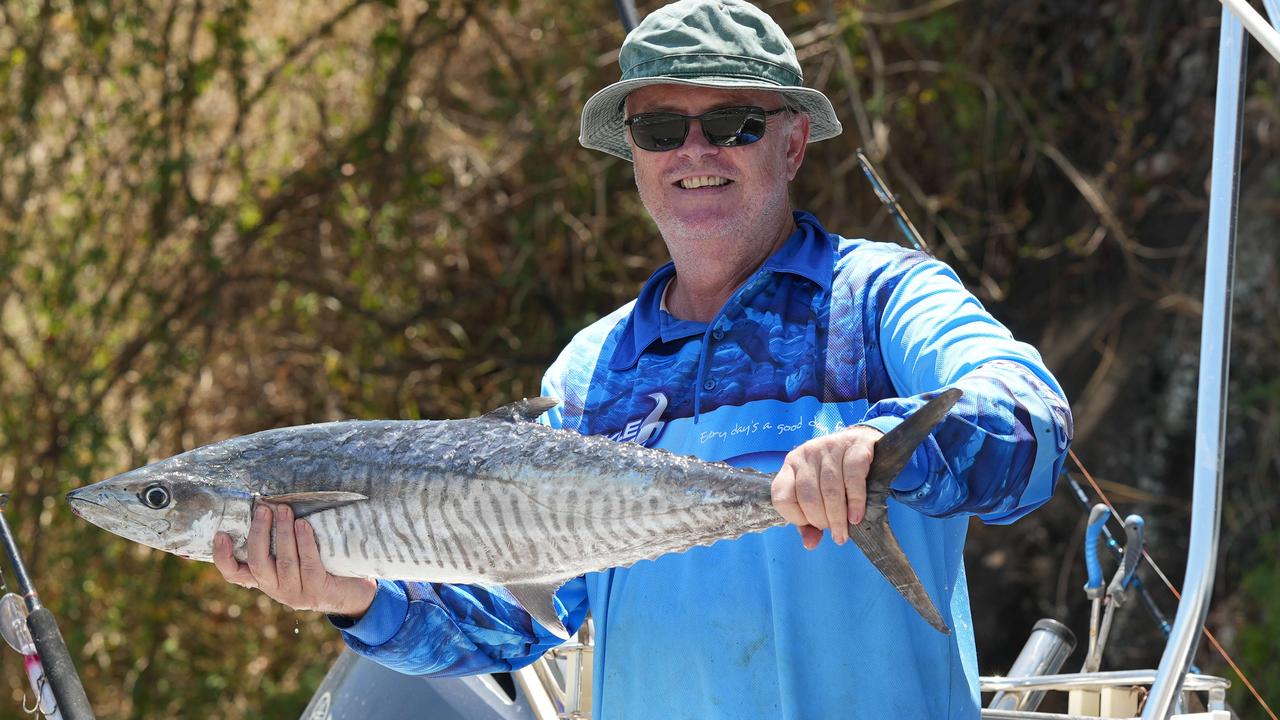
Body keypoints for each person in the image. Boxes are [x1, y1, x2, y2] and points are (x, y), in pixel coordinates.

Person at [213, 1, 1073, 717]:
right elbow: (519, 622)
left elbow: (1029, 425)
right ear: (635, 157)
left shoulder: (879, 299)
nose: (694, 152)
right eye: (661, 128)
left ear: (793, 144)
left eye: (733, 122)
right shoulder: (591, 372)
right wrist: (353, 596)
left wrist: (885, 443)